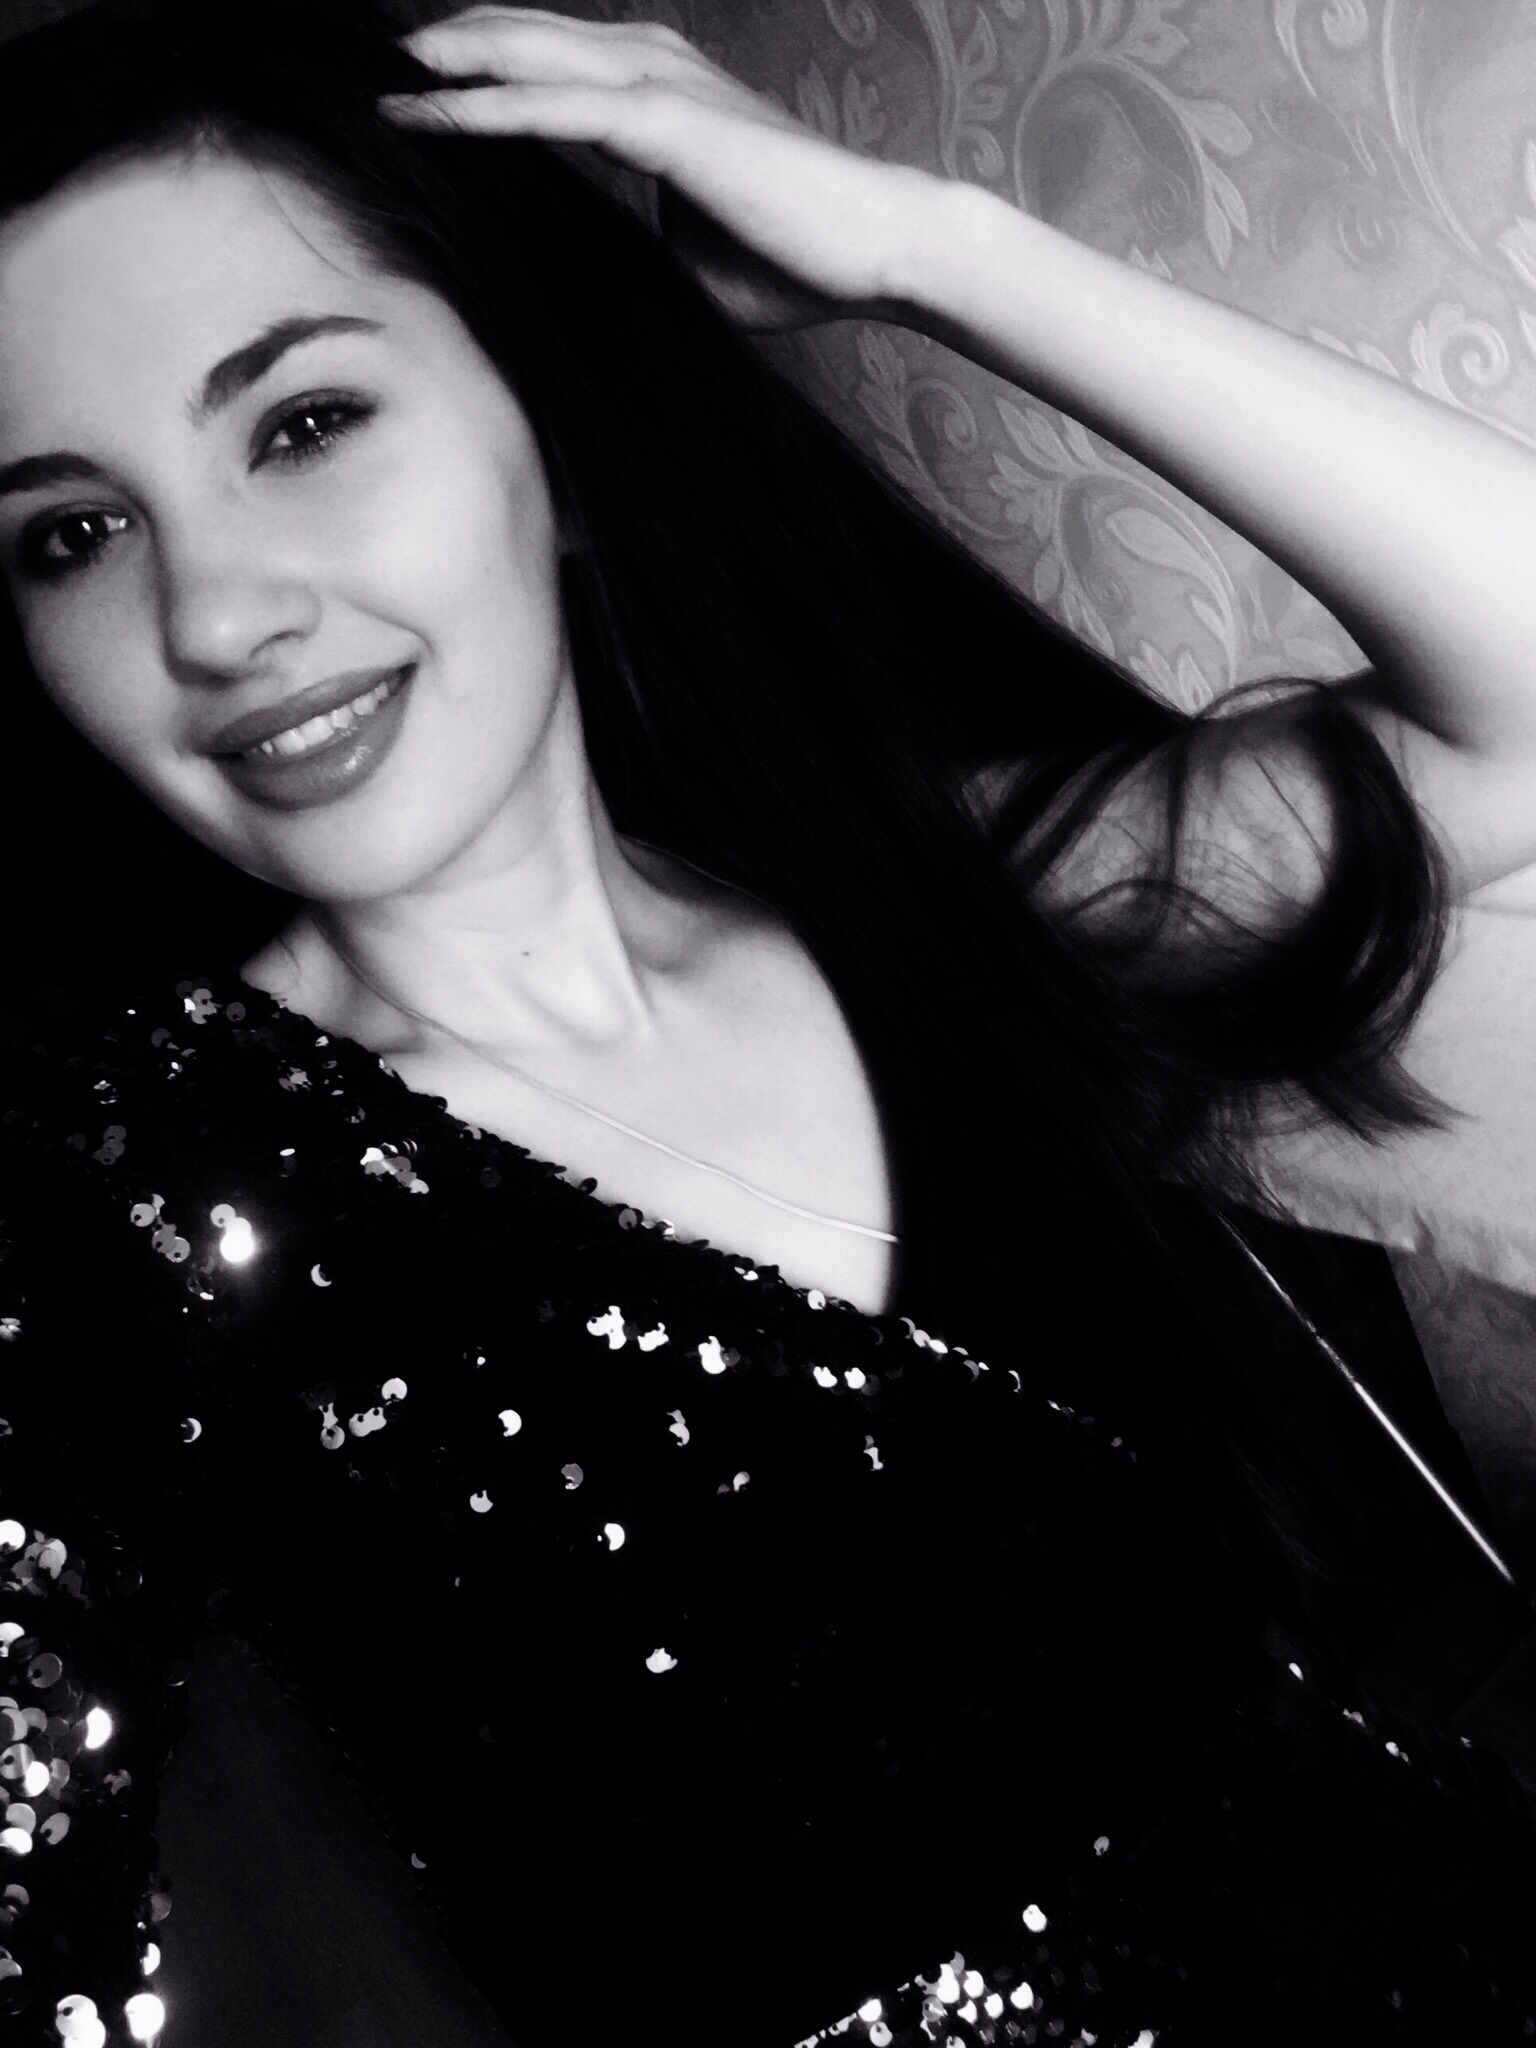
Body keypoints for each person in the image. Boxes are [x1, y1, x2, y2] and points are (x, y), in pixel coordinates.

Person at [1, 2, 1535, 2042]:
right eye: (71, 535)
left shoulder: (930, 902)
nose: (211, 614)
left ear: (549, 437)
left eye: (302, 424)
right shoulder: (124, 1207)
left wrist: (926, 245)